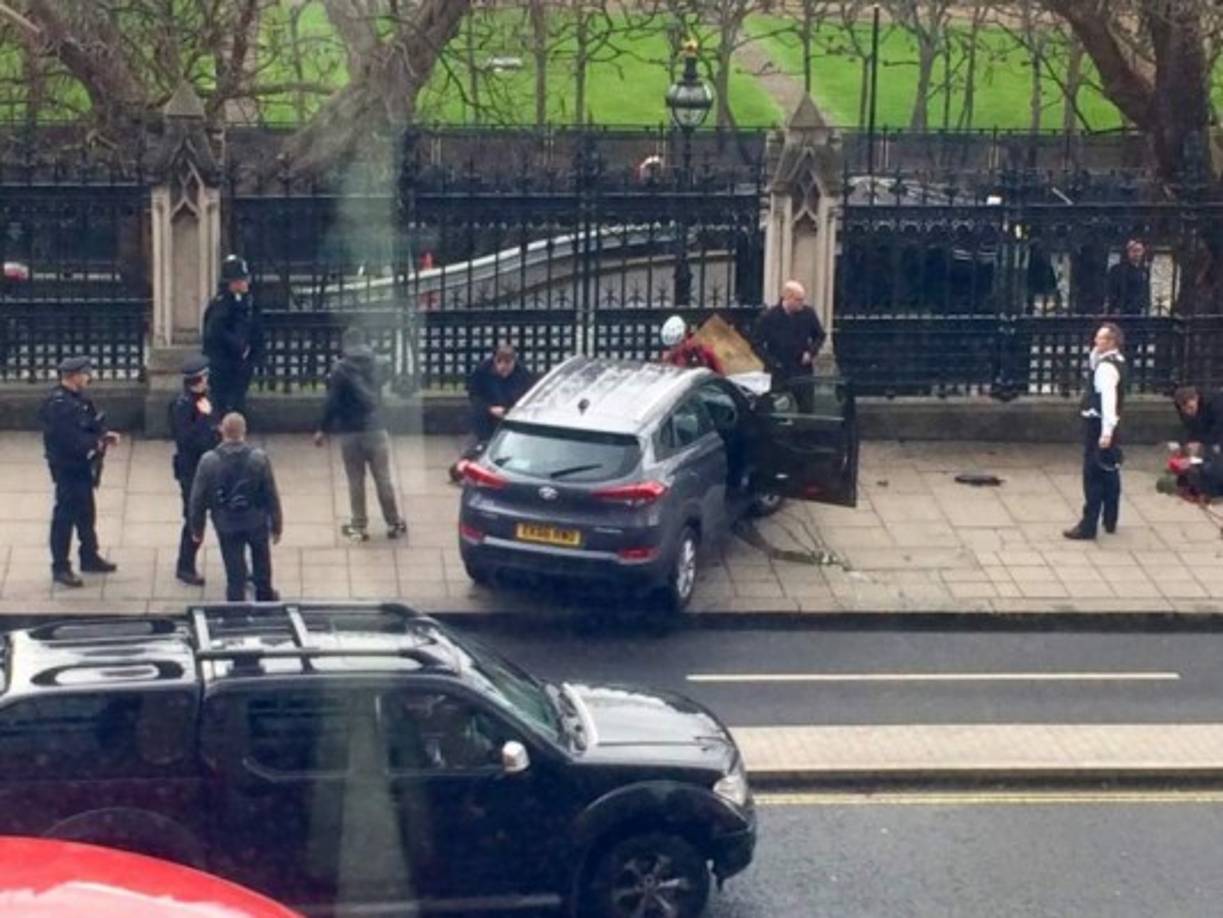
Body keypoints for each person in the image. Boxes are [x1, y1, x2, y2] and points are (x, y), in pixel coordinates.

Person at [313, 327, 407, 543]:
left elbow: (332, 402)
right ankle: (393, 522)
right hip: (376, 427)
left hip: (350, 430)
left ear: (346, 345)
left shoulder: (340, 369)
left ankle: (359, 525)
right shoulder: (379, 363)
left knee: (356, 480)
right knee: (383, 478)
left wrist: (322, 429)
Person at [39, 355, 120, 587]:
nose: (89, 377)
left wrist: (103, 436)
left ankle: (89, 555)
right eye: (85, 373)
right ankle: (61, 566)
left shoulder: (79, 399)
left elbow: (91, 423)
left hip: (83, 467)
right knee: (65, 516)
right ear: (73, 376)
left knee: (86, 512)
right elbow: (69, 439)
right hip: (68, 467)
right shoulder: (59, 405)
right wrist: (95, 442)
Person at [189, 412, 283, 602]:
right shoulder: (258, 458)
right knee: (262, 563)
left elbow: (197, 498)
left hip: (226, 522)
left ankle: (236, 606)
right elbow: (270, 494)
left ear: (222, 431)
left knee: (234, 570)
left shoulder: (209, 461)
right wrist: (276, 524)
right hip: (255, 520)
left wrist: (196, 528)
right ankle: (265, 598)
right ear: (244, 431)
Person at [1064, 323, 1127, 540]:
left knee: (1093, 475)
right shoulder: (1115, 361)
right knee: (1110, 471)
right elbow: (1092, 360)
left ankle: (1088, 525)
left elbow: (1109, 400)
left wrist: (1105, 432)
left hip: (1098, 424)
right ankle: (1110, 518)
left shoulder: (1106, 369)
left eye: (1100, 339)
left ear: (1111, 342)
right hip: (1109, 424)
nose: (1095, 342)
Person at [168, 354, 221, 586]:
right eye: (205, 377)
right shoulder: (183, 405)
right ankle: (185, 565)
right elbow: (188, 439)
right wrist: (210, 427)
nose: (208, 380)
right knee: (194, 517)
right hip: (193, 470)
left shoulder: (205, 399)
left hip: (211, 466)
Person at [449, 344, 535, 482]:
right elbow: (475, 395)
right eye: (500, 363)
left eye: (508, 364)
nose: (503, 368)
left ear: (513, 362)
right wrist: (489, 408)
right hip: (484, 417)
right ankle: (463, 468)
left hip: (510, 415)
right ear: (495, 361)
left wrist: (509, 410)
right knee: (481, 444)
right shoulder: (482, 371)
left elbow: (526, 397)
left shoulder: (522, 374)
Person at [202, 254, 264, 417]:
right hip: (225, 366)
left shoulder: (246, 301)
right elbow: (215, 333)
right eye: (241, 279)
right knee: (225, 406)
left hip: (239, 365)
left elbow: (254, 328)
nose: (245, 283)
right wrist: (239, 346)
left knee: (237, 403)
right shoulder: (222, 305)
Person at [752, 280, 826, 410]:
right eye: (798, 300)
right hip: (779, 369)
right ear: (787, 298)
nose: (802, 304)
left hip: (802, 368)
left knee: (807, 407)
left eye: (802, 300)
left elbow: (820, 335)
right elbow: (756, 343)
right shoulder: (769, 317)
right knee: (777, 408)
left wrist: (811, 352)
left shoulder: (808, 314)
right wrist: (772, 362)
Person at [659, 314, 724, 373]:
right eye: (670, 346)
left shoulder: (704, 351)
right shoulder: (670, 357)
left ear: (684, 338)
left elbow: (721, 376)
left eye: (675, 345)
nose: (673, 349)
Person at [1104, 239, 1150, 316]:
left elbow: (1145, 291)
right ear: (1128, 252)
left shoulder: (1144, 270)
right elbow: (1111, 290)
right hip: (1121, 311)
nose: (1137, 254)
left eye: (1139, 251)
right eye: (1134, 251)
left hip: (1137, 312)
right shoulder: (1117, 270)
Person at [1172, 386, 1223, 452]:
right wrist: (1189, 442)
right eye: (1184, 410)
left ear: (1196, 398)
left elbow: (1218, 428)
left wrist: (1201, 442)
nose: (1188, 412)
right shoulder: (1181, 406)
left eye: (1191, 407)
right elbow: (1190, 427)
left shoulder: (1215, 403)